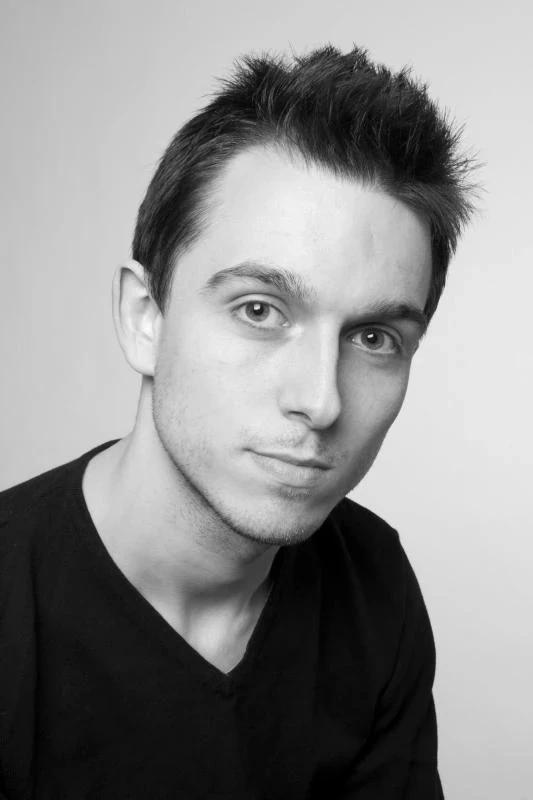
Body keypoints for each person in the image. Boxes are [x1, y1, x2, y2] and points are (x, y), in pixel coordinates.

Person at [0, 45, 475, 799]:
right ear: (145, 317)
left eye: (373, 337)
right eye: (259, 310)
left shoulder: (373, 583)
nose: (321, 401)